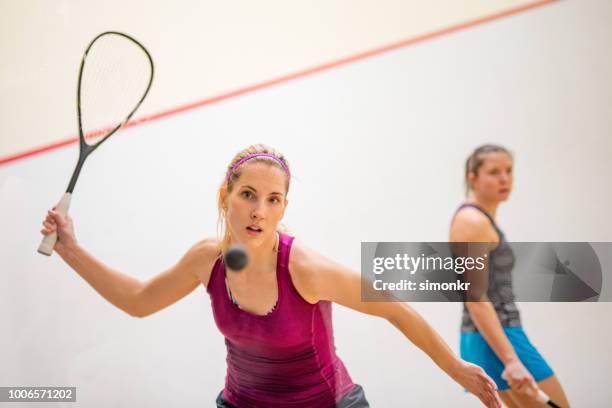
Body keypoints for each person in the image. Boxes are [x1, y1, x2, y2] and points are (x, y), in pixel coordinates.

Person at [42, 144, 501, 408]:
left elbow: (394, 309)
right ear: (225, 196)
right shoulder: (208, 260)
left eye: (274, 199)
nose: (260, 212)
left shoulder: (304, 268)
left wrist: (455, 367)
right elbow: (138, 300)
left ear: (284, 205)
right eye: (248, 195)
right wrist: (72, 250)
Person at [450, 144, 570, 408]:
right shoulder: (473, 222)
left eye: (508, 171)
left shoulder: (480, 220)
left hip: (492, 335)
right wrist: (512, 359)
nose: (504, 178)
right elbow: (475, 298)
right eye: (494, 172)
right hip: (497, 336)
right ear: (473, 178)